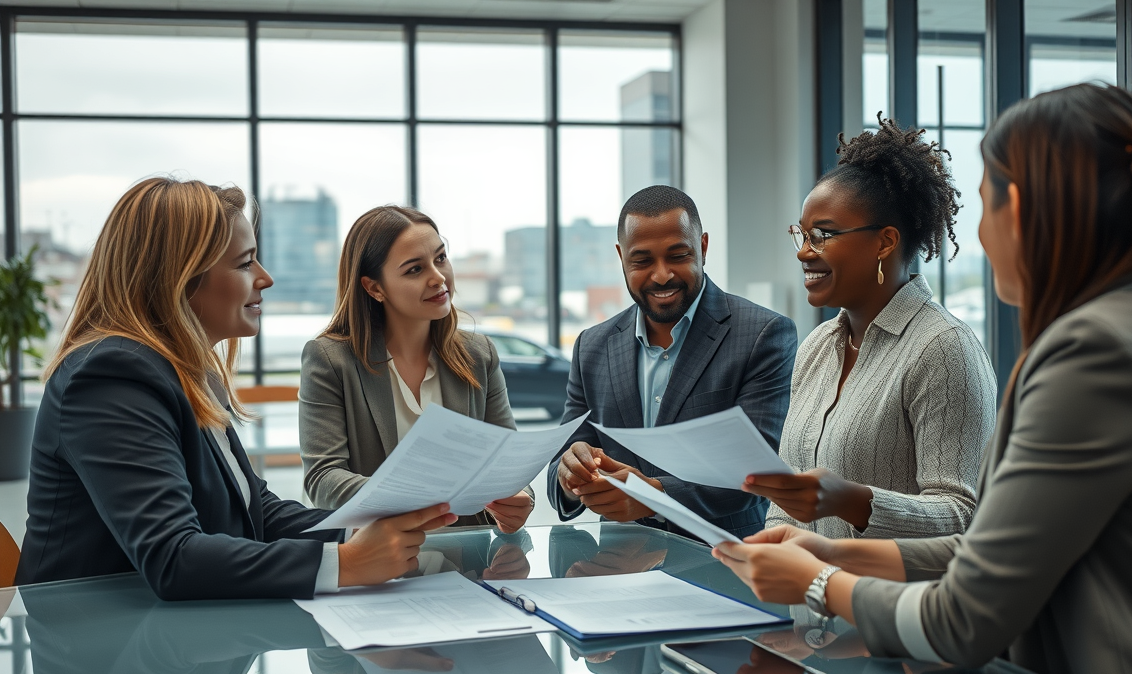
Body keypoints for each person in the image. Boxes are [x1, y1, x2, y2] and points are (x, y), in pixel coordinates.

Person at [714, 83, 1132, 674]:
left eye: (987, 208)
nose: (981, 236)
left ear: (1023, 210)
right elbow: (995, 553)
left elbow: (967, 615)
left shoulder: (1098, 353)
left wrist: (820, 585)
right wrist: (832, 551)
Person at [16, 178, 454, 600]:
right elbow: (172, 558)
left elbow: (255, 511)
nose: (265, 278)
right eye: (245, 263)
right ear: (180, 279)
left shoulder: (183, 371)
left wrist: (354, 532)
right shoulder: (111, 377)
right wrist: (347, 563)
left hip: (182, 649)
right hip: (107, 653)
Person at [749, 115, 997, 540]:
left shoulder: (942, 348)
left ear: (885, 242)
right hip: (812, 599)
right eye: (802, 235)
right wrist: (768, 546)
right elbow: (789, 502)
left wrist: (851, 501)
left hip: (896, 604)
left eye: (823, 235)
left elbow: (962, 516)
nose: (804, 253)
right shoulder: (816, 347)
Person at [547, 185, 797, 539]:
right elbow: (562, 463)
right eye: (642, 261)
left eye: (678, 256)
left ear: (703, 247)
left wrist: (653, 496)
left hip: (724, 566)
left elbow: (757, 471)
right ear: (621, 258)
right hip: (619, 566)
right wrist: (571, 474)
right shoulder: (592, 346)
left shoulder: (763, 335)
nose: (662, 275)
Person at [300, 205, 533, 532]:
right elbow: (323, 479)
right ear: (374, 288)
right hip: (376, 560)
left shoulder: (479, 355)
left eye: (440, 258)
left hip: (467, 560)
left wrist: (520, 497)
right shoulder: (330, 358)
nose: (438, 278)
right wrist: (411, 497)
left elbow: (506, 462)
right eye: (414, 270)